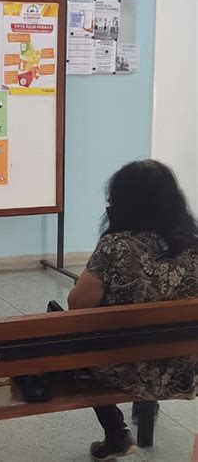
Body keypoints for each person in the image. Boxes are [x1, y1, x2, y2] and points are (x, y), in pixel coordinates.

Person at [68, 159, 197, 461]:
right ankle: (141, 412)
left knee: (67, 330)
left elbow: (77, 305)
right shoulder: (193, 246)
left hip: (119, 371)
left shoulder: (116, 247)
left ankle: (115, 432)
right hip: (183, 370)